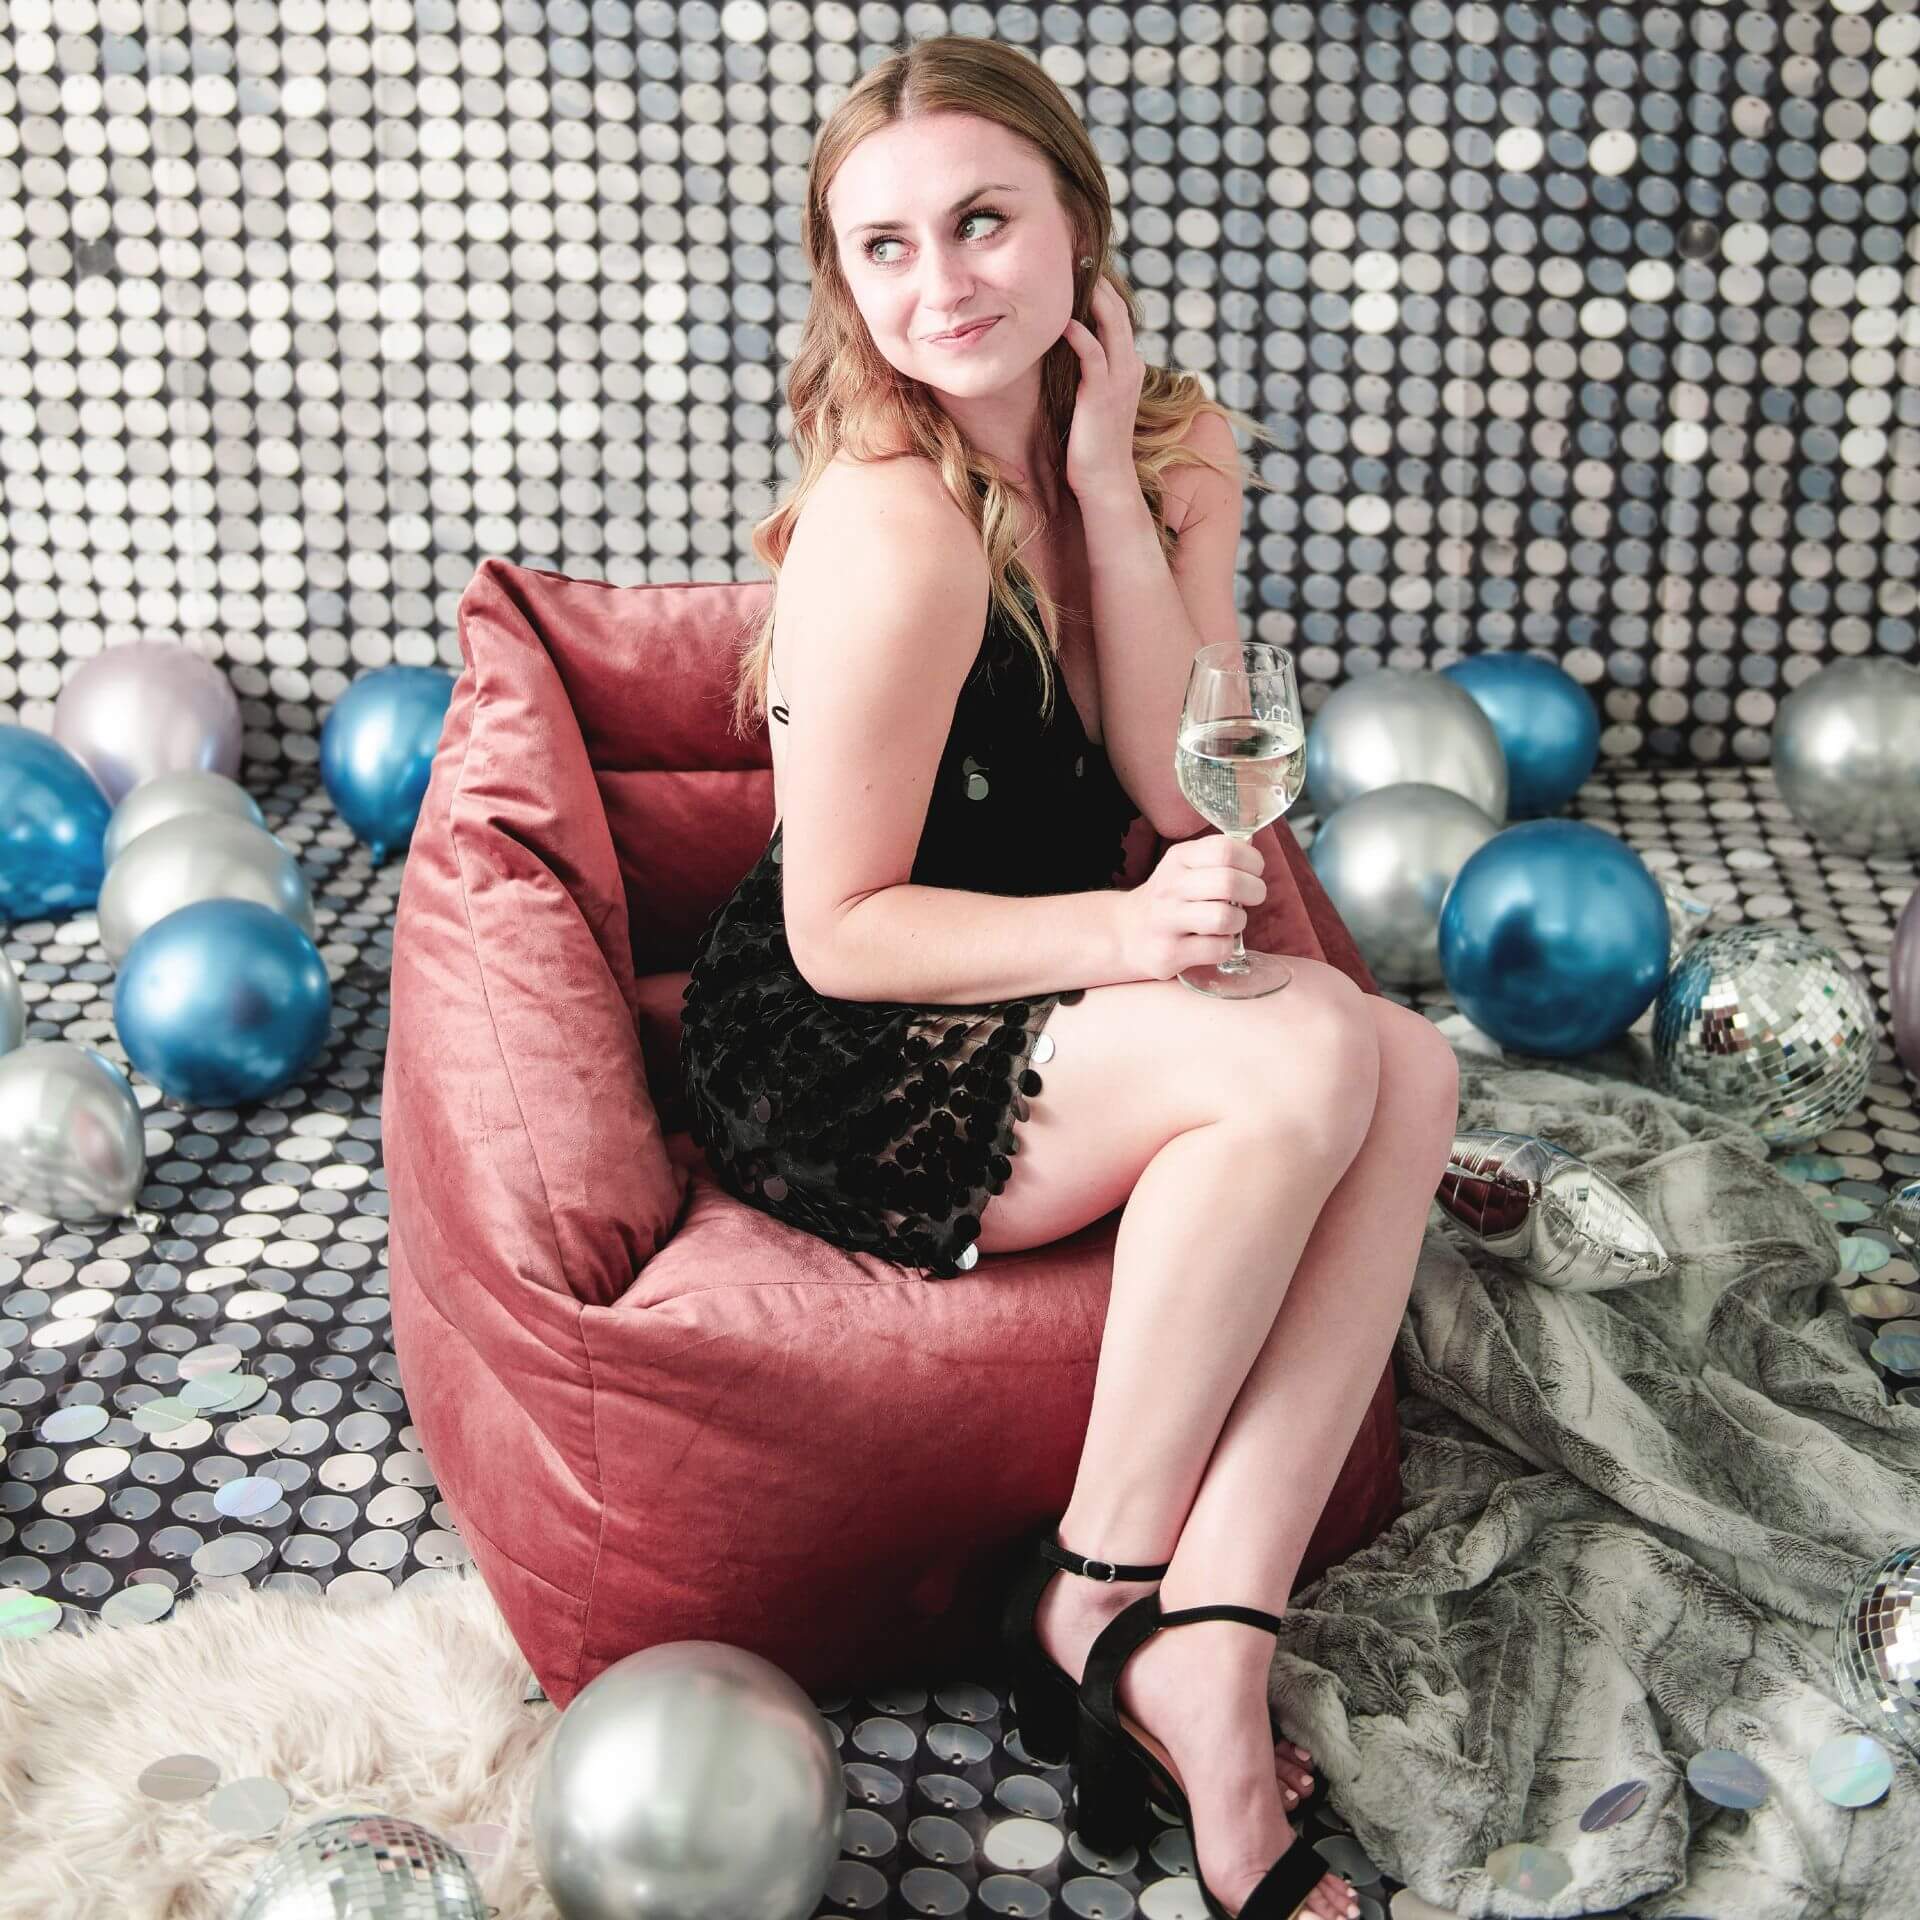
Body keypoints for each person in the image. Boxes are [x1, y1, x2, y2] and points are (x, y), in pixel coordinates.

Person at [678, 35, 1461, 1920]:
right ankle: (1097, 1588)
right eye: (884, 247)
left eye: (982, 222)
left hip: (1038, 982)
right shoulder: (894, 525)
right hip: (858, 1039)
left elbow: (1177, 782)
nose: (941, 286)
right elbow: (838, 930)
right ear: (841, 279)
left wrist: (1113, 486)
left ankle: (1215, 1631)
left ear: (1078, 226)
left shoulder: (1156, 438)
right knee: (1306, 1060)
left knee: (1415, 1072)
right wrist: (1125, 939)